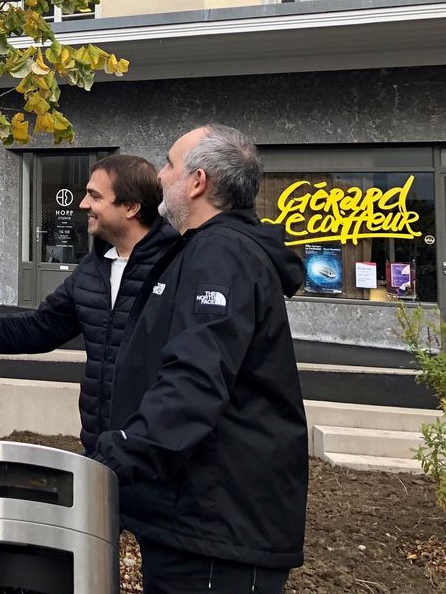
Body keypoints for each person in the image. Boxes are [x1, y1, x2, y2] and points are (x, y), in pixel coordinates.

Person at [93, 124, 308, 593]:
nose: (161, 176)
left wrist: (123, 450)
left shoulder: (221, 254)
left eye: (169, 164)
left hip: (214, 530)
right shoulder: (200, 250)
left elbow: (197, 375)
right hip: (195, 519)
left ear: (197, 182)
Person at [0, 155, 179, 455]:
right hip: (101, 451)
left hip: (159, 459)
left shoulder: (178, 267)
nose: (83, 204)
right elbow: (39, 328)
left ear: (131, 207)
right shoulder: (93, 268)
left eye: (95, 196)